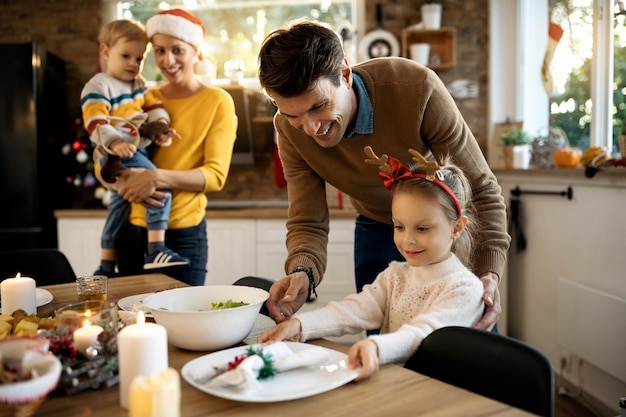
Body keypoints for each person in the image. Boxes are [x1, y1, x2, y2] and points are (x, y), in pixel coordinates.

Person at [257, 19, 510, 330]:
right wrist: (303, 273)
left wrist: (488, 273)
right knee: (383, 338)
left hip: (441, 231)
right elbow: (308, 220)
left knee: (465, 339)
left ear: (345, 75)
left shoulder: (415, 89)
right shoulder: (289, 132)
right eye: (291, 114)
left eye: (319, 106)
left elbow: (483, 190)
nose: (310, 128)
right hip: (375, 226)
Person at [258, 146, 485, 380]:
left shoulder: (465, 290)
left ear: (457, 227)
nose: (408, 239)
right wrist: (299, 325)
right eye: (399, 226)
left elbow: (424, 333)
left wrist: (377, 347)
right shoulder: (395, 275)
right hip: (394, 386)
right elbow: (354, 310)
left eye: (423, 228)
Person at [98, 9, 237, 286]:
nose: (167, 60)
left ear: (196, 51)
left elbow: (215, 176)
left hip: (183, 236)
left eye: (177, 50)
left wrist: (154, 177)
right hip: (131, 231)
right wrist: (120, 182)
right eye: (159, 51)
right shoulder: (144, 97)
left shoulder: (217, 101)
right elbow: (104, 159)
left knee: (184, 326)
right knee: (132, 324)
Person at [81, 19, 189, 277]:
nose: (133, 63)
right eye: (125, 56)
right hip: (114, 152)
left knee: (118, 207)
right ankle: (156, 249)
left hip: (132, 150)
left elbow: (154, 108)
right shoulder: (99, 85)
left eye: (139, 58)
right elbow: (95, 120)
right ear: (106, 52)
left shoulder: (138, 84)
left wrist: (161, 127)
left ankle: (105, 266)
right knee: (160, 188)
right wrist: (115, 142)